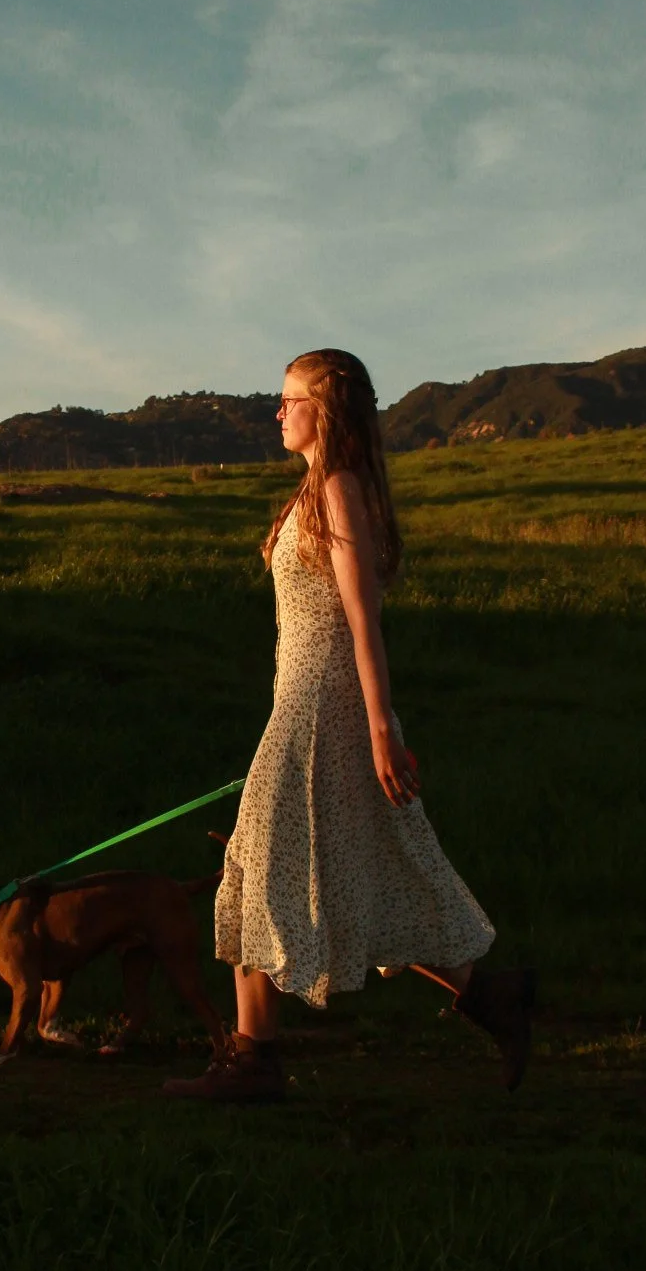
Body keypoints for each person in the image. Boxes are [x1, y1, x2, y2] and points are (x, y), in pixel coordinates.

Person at [166, 347, 533, 1104]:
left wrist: (377, 729)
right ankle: (494, 1001)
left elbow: (363, 620)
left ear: (323, 410)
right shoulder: (313, 489)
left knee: (260, 868)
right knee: (352, 871)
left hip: (325, 708)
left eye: (288, 398)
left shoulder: (337, 488)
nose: (277, 411)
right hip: (301, 701)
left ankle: (252, 1062)